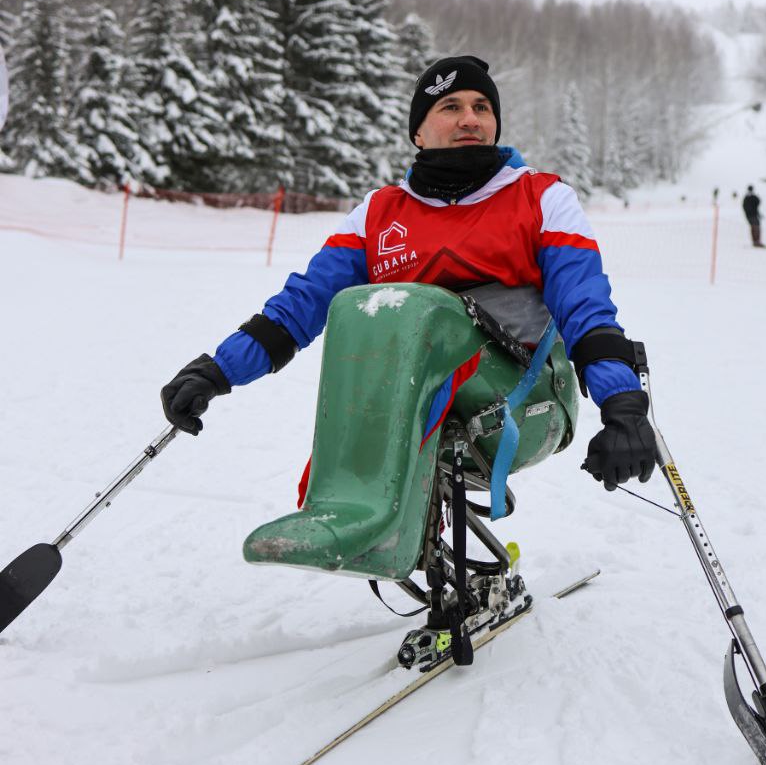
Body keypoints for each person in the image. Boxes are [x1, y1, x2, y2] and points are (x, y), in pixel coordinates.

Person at [161, 55, 656, 493]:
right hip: (406, 396)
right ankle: (349, 507)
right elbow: (302, 306)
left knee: (428, 308)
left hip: (523, 397)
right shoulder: (379, 214)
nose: (470, 118)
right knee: (361, 313)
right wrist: (218, 370)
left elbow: (584, 305)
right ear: (418, 131)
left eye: (482, 108)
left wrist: (622, 403)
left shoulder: (541, 198)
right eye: (451, 107)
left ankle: (369, 509)